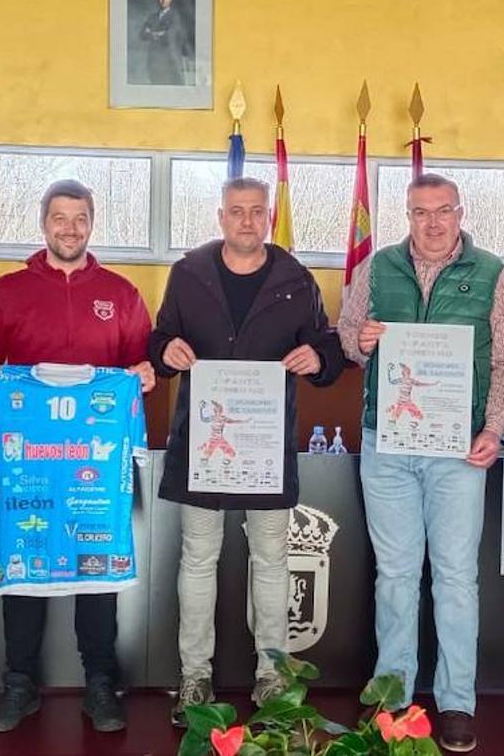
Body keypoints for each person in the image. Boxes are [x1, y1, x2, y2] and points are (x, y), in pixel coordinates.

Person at [0, 179, 154, 734]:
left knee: (97, 573)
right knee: (22, 573)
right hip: (29, 464)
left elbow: (143, 364)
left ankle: (101, 682)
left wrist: (146, 373)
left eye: (80, 218)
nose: (70, 228)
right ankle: (19, 683)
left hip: (93, 465)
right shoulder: (7, 290)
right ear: (43, 223)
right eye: (59, 218)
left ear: (92, 224)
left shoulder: (120, 292)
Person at [337, 172, 504, 753]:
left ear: (460, 212)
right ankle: (393, 697)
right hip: (386, 446)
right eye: (421, 212)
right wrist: (359, 341)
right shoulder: (378, 266)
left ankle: (456, 703)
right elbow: (345, 332)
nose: (433, 222)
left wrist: (494, 429)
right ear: (408, 216)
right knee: (393, 576)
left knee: (455, 578)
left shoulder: (491, 273)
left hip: (458, 450)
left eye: (443, 210)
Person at [149, 176, 343, 726]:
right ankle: (193, 675)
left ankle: (272, 673)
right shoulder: (188, 275)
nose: (248, 221)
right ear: (221, 217)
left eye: (258, 212)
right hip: (202, 444)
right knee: (198, 559)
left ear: (268, 217)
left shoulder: (295, 278)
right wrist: (168, 349)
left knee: (273, 561)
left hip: (266, 447)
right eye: (238, 212)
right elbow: (157, 341)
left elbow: (327, 347)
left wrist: (317, 357)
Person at [139, 0, 188, 84]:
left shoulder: (175, 16)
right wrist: (157, 33)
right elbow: (142, 34)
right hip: (154, 60)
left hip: (169, 60)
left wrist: (151, 33)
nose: (163, 0)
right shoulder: (152, 17)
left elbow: (169, 35)